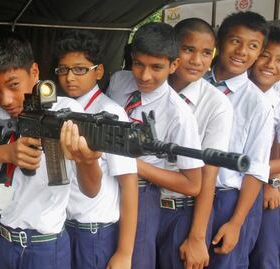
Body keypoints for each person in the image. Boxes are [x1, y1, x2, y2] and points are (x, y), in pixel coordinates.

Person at [0, 31, 102, 269]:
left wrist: (87, 161)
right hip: (4, 238)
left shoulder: (67, 111)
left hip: (45, 246)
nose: (6, 99)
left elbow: (92, 189)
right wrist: (8, 152)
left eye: (14, 85)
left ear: (34, 72)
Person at [106, 22, 204, 269]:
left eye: (157, 67)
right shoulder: (119, 81)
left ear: (174, 65)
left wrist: (134, 166)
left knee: (134, 261)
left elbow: (193, 184)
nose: (144, 75)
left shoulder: (179, 114)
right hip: (104, 186)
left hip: (141, 193)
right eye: (139, 64)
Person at [54, 29, 138, 269]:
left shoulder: (111, 115)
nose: (70, 77)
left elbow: (129, 184)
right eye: (63, 69)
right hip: (62, 227)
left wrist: (124, 252)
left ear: (98, 71)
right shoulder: (60, 110)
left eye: (80, 69)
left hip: (94, 234)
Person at [203, 11, 274, 269]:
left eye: (253, 46)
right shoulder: (194, 83)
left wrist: (236, 223)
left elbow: (256, 168)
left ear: (259, 53)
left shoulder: (257, 105)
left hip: (227, 200)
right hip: (186, 193)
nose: (242, 51)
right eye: (235, 41)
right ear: (219, 41)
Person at [163, 18, 233, 269]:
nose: (197, 60)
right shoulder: (150, 88)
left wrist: (196, 237)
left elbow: (209, 172)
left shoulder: (217, 104)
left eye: (206, 53)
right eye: (188, 49)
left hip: (184, 211)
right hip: (144, 204)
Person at [248, 26, 280, 269]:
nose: (270, 64)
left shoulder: (278, 96)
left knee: (268, 247)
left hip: (264, 178)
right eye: (265, 55)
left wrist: (273, 178)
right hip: (227, 182)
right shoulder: (237, 89)